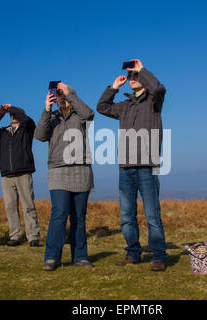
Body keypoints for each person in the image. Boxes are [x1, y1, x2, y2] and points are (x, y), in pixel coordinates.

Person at [96, 59, 168, 272]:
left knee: (152, 215)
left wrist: (141, 69)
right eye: (130, 77)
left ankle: (159, 256)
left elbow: (159, 88)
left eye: (135, 76)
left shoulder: (154, 102)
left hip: (147, 166)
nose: (132, 79)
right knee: (127, 216)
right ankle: (133, 254)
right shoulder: (124, 106)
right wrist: (114, 87)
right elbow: (102, 107)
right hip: (125, 168)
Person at [34, 82, 94, 271]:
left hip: (81, 170)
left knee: (78, 217)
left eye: (62, 95)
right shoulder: (51, 117)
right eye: (57, 95)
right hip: (58, 170)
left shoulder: (80, 115)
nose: (60, 97)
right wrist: (46, 109)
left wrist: (70, 94)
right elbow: (40, 135)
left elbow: (89, 114)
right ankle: (52, 257)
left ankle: (80, 256)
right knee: (59, 213)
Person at [0, 104, 41, 247]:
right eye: (11, 114)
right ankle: (15, 236)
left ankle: (33, 237)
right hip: (6, 175)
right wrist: (0, 112)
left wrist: (12, 108)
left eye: (15, 114)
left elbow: (27, 120)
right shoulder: (3, 132)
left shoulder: (27, 128)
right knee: (10, 207)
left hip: (24, 173)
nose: (13, 116)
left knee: (28, 206)